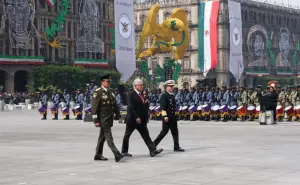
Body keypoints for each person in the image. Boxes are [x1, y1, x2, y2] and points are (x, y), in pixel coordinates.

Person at [121, 79, 163, 157]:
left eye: (142, 85)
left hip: (141, 120)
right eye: (140, 85)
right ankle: (124, 151)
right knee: (127, 135)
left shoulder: (141, 95)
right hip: (133, 119)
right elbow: (130, 107)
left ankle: (152, 150)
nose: (141, 86)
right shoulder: (130, 94)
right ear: (135, 86)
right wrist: (136, 117)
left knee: (146, 135)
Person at [92, 74, 124, 162]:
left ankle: (98, 154)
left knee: (102, 137)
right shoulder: (97, 92)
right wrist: (96, 120)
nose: (109, 83)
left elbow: (115, 105)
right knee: (109, 136)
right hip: (103, 118)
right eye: (107, 81)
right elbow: (94, 108)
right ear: (102, 82)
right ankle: (116, 153)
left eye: (110, 82)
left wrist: (119, 116)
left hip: (109, 118)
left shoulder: (110, 91)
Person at [153, 80, 185, 152]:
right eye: (170, 86)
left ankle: (176, 147)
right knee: (164, 132)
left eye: (172, 86)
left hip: (173, 117)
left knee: (175, 132)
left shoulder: (172, 95)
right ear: (166, 87)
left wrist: (176, 113)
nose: (172, 87)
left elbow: (173, 106)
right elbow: (163, 107)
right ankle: (153, 144)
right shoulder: (164, 95)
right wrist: (165, 116)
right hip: (167, 117)